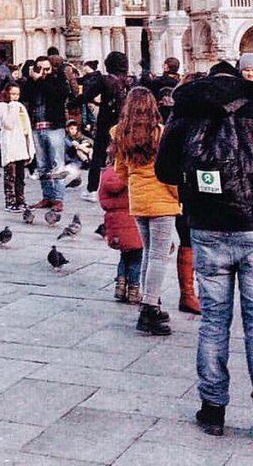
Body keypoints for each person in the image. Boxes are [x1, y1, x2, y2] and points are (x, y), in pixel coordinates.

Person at [156, 60, 253, 443]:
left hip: (207, 230)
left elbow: (164, 171)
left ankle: (213, 409)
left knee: (214, 324)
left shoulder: (185, 117)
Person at [114, 87, 180, 336]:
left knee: (149, 254)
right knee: (158, 256)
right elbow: (170, 170)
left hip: (139, 201)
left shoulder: (122, 134)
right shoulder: (160, 134)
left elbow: (120, 171)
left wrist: (135, 182)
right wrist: (178, 197)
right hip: (161, 199)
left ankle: (149, 300)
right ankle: (149, 307)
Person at [22, 54, 75, 210]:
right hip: (37, 126)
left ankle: (58, 198)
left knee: (56, 164)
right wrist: (32, 79)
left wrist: (40, 80)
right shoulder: (32, 82)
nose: (43, 72)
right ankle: (47, 196)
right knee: (42, 165)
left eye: (47, 69)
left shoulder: (57, 80)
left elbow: (59, 95)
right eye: (40, 69)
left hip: (54, 126)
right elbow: (25, 96)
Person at [81, 52, 131, 200]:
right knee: (123, 154)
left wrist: (73, 103)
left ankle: (92, 189)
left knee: (98, 155)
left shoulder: (105, 80)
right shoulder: (129, 81)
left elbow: (87, 95)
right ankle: (124, 186)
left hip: (106, 121)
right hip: (124, 121)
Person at [99, 146, 144, 304]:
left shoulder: (107, 174)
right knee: (137, 257)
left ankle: (120, 286)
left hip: (115, 223)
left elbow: (102, 200)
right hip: (132, 221)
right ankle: (133, 290)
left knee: (124, 255)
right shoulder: (131, 173)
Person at [0, 80, 33, 210]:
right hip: (10, 145)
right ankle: (10, 201)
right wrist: (13, 106)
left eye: (17, 94)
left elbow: (26, 127)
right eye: (12, 94)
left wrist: (30, 147)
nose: (15, 97)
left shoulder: (21, 106)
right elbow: (8, 124)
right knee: (10, 177)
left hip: (21, 145)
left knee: (20, 177)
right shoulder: (2, 106)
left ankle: (21, 200)